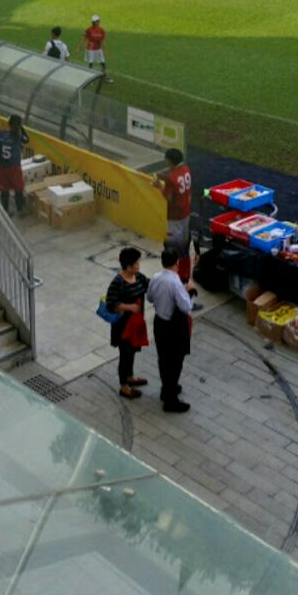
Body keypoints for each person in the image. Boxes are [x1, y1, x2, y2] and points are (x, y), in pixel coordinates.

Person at [147, 246, 195, 413]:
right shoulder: (175, 282)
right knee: (175, 362)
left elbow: (149, 297)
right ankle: (171, 399)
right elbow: (186, 307)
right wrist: (189, 291)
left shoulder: (156, 277)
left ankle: (167, 388)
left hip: (159, 322)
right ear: (177, 263)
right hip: (173, 327)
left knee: (163, 359)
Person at [105, 247, 150, 401]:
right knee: (125, 354)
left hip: (136, 325)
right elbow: (111, 304)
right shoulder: (117, 283)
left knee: (131, 352)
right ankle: (124, 386)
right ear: (128, 266)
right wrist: (129, 307)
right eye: (136, 263)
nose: (139, 265)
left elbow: (150, 286)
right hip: (123, 327)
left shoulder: (139, 277)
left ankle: (130, 377)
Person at [154, 148, 195, 284]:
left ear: (170, 160)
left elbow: (169, 197)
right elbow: (176, 181)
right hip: (186, 213)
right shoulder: (186, 169)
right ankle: (185, 275)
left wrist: (159, 185)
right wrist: (163, 176)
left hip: (175, 217)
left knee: (173, 249)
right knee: (184, 246)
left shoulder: (172, 178)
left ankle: (177, 278)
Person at [0, 114, 29, 216]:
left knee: (4, 189)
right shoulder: (18, 136)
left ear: (8, 124)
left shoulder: (0, 134)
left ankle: (6, 211)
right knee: (18, 189)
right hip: (14, 167)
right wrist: (21, 127)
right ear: (19, 125)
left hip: (1, 166)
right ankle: (20, 211)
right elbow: (27, 140)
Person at [81, 14, 108, 78]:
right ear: (93, 22)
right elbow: (85, 38)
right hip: (91, 49)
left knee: (103, 62)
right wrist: (80, 46)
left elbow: (102, 40)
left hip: (98, 49)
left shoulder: (101, 30)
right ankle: (88, 76)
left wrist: (104, 50)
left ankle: (104, 75)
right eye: (96, 21)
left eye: (98, 21)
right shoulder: (89, 29)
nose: (98, 22)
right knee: (90, 63)